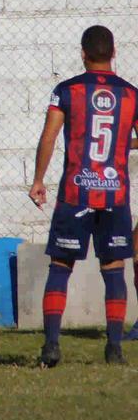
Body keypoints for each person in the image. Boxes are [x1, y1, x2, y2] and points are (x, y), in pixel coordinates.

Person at [29, 25, 138, 366]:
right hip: (115, 194)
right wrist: (121, 146)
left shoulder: (67, 90)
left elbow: (49, 136)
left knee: (61, 265)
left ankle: (51, 347)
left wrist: (38, 180)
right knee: (115, 267)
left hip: (76, 192)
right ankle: (115, 349)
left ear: (83, 53)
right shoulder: (132, 95)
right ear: (114, 53)